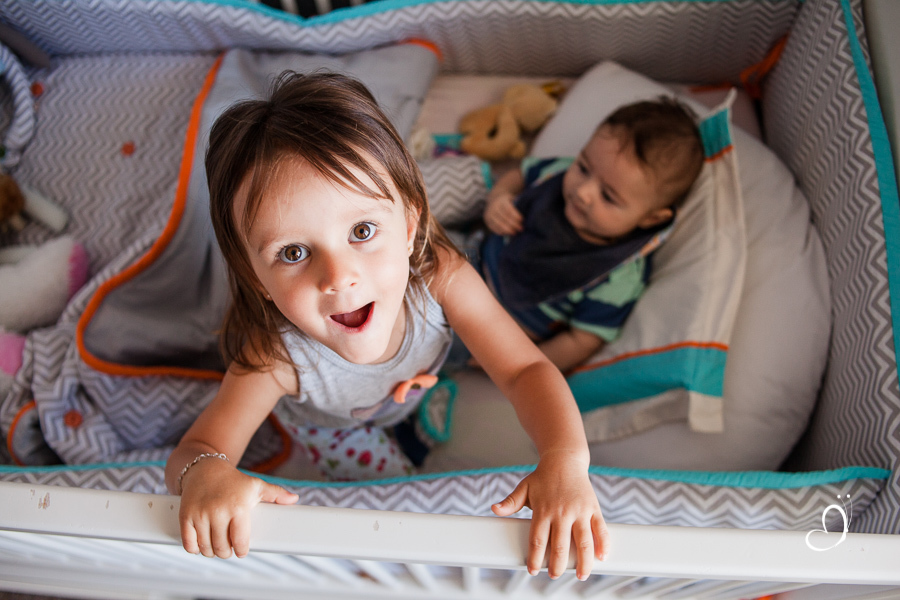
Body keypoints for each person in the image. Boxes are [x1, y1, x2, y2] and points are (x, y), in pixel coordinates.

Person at [164, 70, 608, 581]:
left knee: (431, 396)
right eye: (293, 252)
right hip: (333, 431)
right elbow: (194, 451)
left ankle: (418, 412)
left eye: (362, 230)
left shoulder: (440, 275)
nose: (339, 277)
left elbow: (525, 368)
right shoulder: (275, 358)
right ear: (256, 279)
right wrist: (207, 475)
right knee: (393, 507)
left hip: (414, 386)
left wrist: (566, 460)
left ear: (410, 225)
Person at [480, 98, 704, 372]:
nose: (583, 192)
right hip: (469, 256)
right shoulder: (557, 175)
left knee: (426, 343)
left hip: (490, 331)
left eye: (608, 196)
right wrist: (499, 198)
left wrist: (515, 367)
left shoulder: (617, 276)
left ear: (650, 218)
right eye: (583, 167)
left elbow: (580, 341)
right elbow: (519, 175)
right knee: (420, 241)